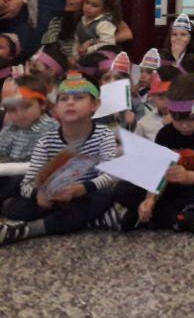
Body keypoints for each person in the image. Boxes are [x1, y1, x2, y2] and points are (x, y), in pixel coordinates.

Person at [0, 73, 119, 246]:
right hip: (53, 197)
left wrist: (82, 189)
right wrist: (39, 194)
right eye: (64, 99)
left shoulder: (104, 135)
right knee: (13, 205)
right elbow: (27, 183)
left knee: (105, 195)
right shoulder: (47, 141)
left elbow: (110, 174)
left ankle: (29, 230)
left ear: (95, 104)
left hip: (86, 194)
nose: (70, 102)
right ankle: (87, 220)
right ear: (55, 108)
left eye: (78, 98)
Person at [114, 73, 194, 233]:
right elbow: (158, 174)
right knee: (122, 188)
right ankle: (179, 219)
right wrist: (149, 200)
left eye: (191, 119)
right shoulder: (165, 134)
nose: (184, 126)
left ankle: (151, 218)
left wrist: (187, 177)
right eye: (177, 118)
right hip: (170, 190)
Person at [0, 75, 56, 205]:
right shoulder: (8, 130)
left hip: (33, 180)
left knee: (18, 182)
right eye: (12, 110)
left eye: (26, 107)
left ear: (42, 104)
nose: (19, 114)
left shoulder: (52, 129)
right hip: (8, 177)